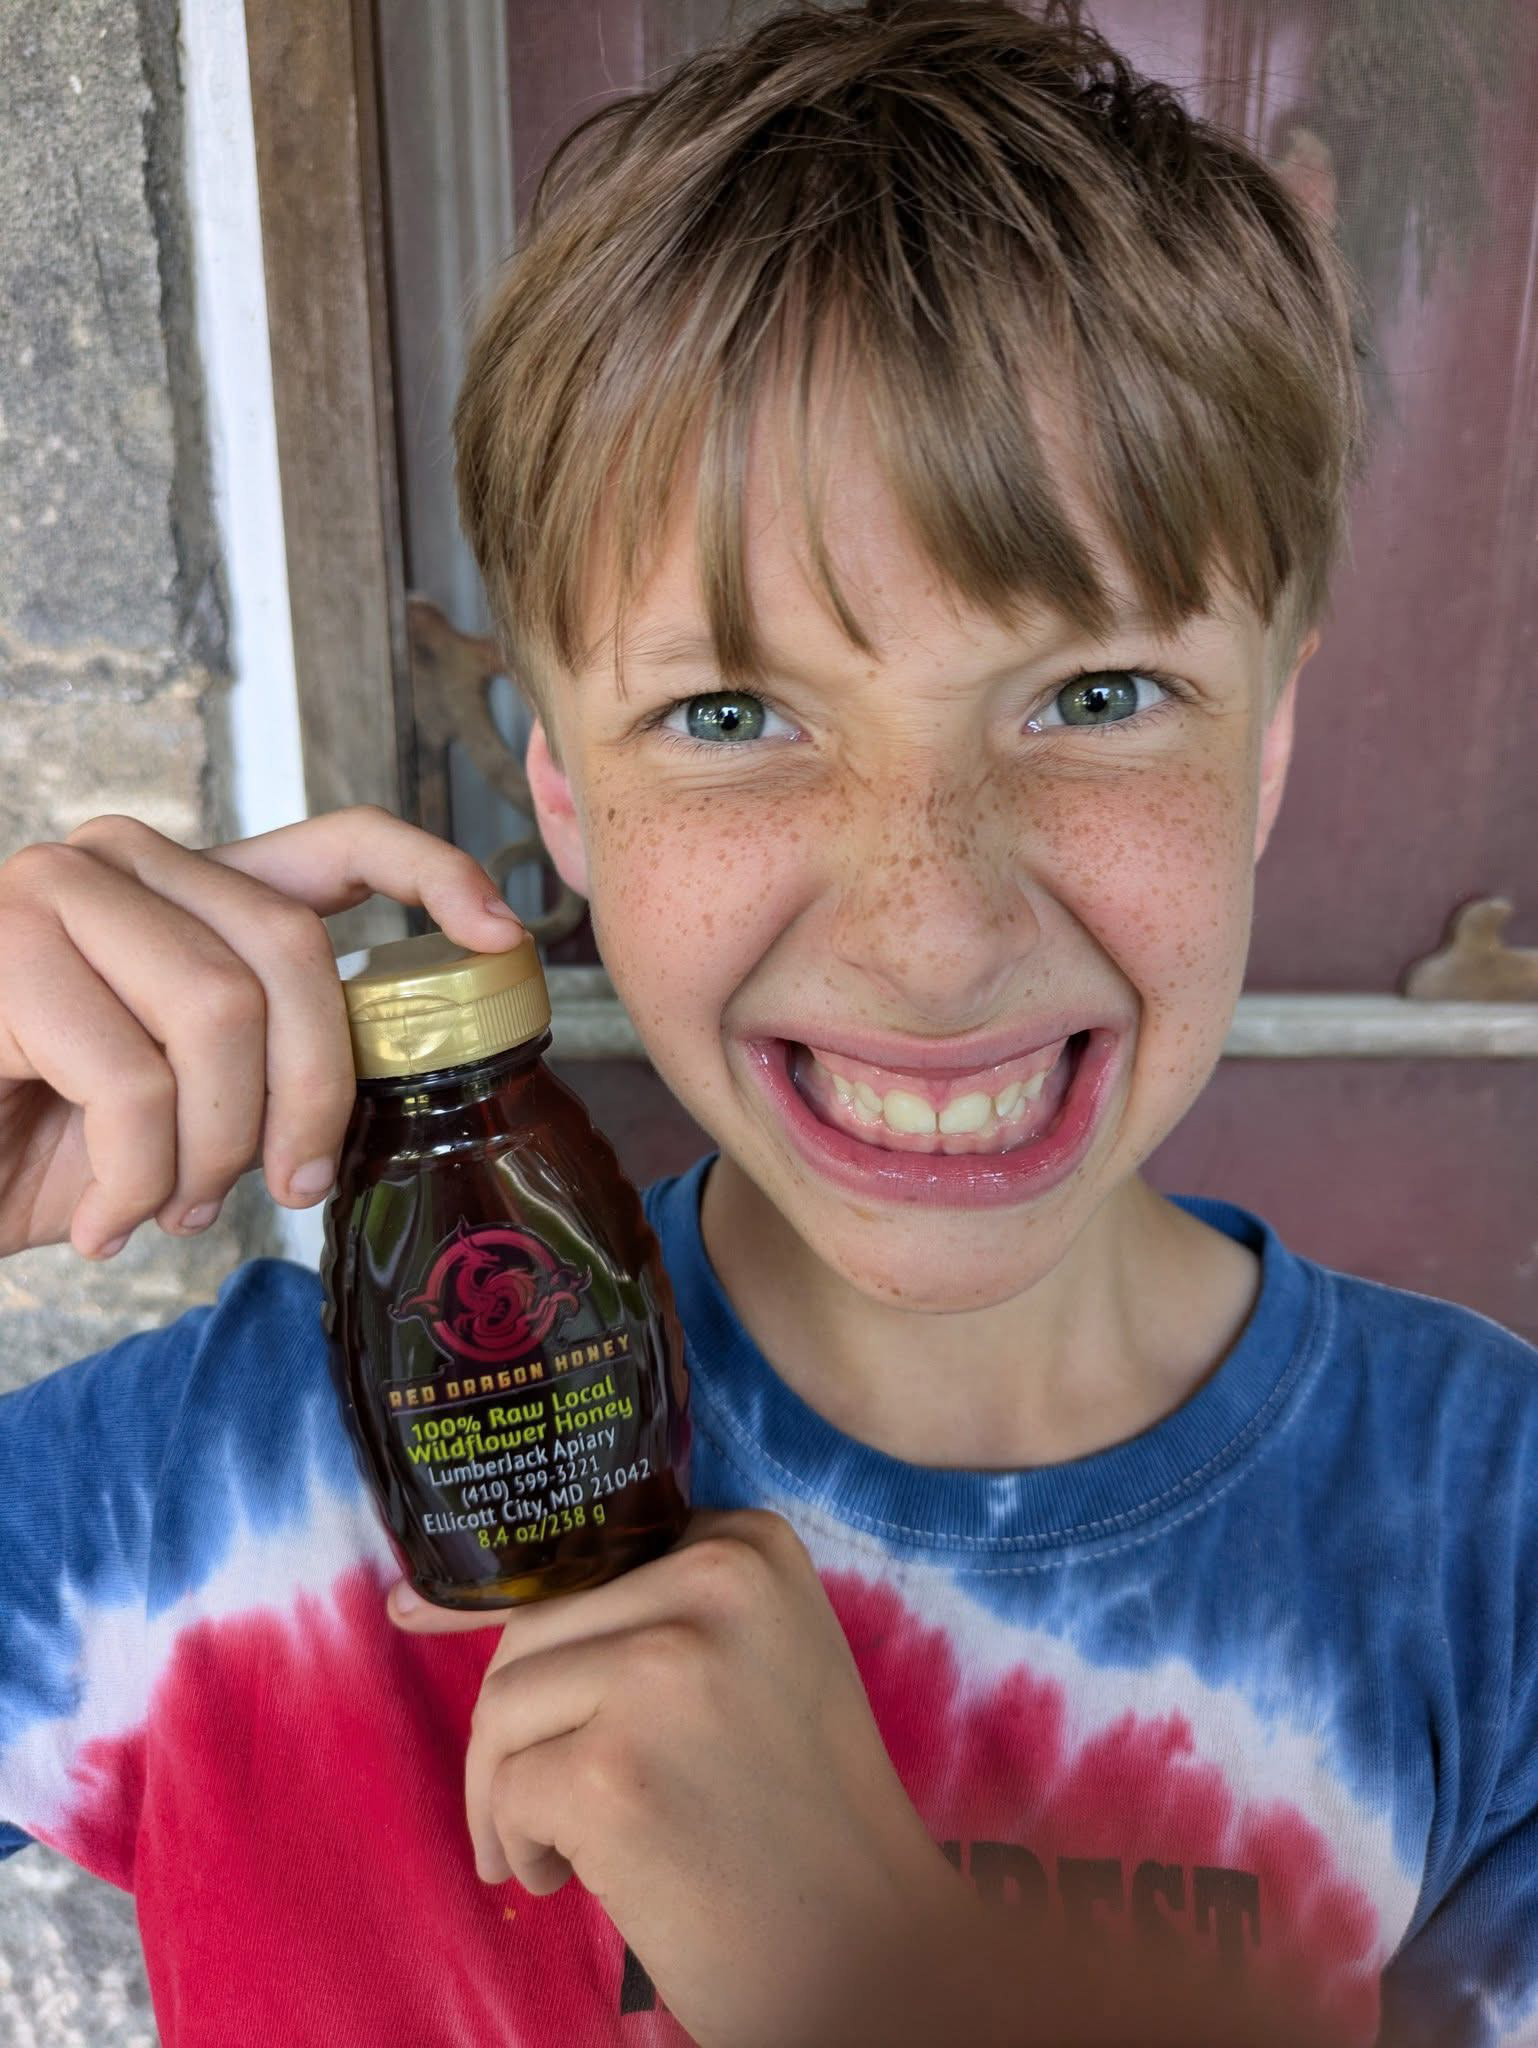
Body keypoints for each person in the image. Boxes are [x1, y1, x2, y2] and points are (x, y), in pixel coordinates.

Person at [1, 3, 1534, 2042]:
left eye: (1094, 697)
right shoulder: (223, 1495)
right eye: (727, 714)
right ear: (562, 793)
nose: (932, 936)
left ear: (1265, 739)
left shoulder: (1491, 1559)